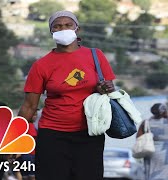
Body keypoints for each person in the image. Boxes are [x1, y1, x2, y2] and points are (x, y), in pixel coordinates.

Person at [17, 10, 116, 180]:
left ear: (77, 29)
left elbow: (110, 89)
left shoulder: (95, 55)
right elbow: (29, 106)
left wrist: (107, 88)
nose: (63, 29)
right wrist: (14, 138)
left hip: (90, 133)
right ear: (51, 32)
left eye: (68, 25)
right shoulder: (41, 65)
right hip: (53, 135)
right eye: (57, 26)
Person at [136, 103, 168, 180]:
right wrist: (167, 118)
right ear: (164, 111)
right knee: (164, 174)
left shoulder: (146, 122)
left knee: (150, 173)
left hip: (149, 152)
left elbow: (138, 137)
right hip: (165, 154)